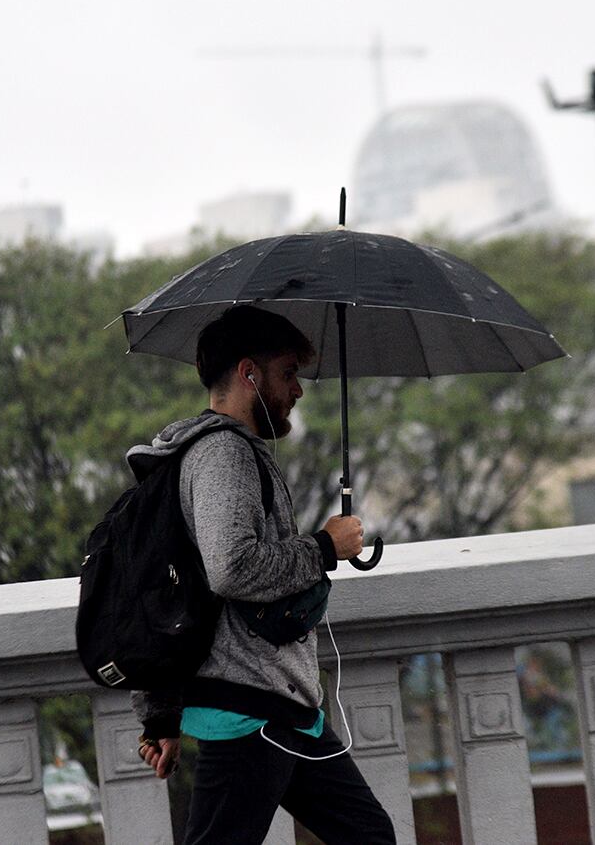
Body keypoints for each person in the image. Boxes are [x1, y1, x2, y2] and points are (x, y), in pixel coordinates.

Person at [130, 305, 396, 845]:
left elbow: (182, 582)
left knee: (369, 835)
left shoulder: (217, 453)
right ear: (250, 373)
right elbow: (231, 569)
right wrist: (324, 545)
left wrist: (160, 714)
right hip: (249, 708)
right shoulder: (224, 454)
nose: (297, 390)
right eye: (288, 373)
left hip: (282, 706)